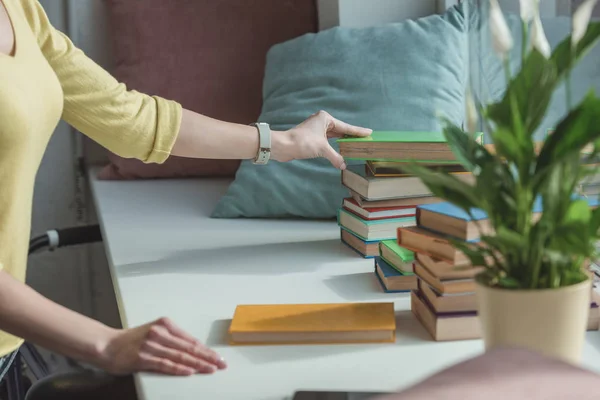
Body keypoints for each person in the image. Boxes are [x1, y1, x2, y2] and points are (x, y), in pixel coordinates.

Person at [0, 0, 372, 383]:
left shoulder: (20, 9)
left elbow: (129, 119)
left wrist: (284, 141)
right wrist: (105, 344)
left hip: (9, 345)